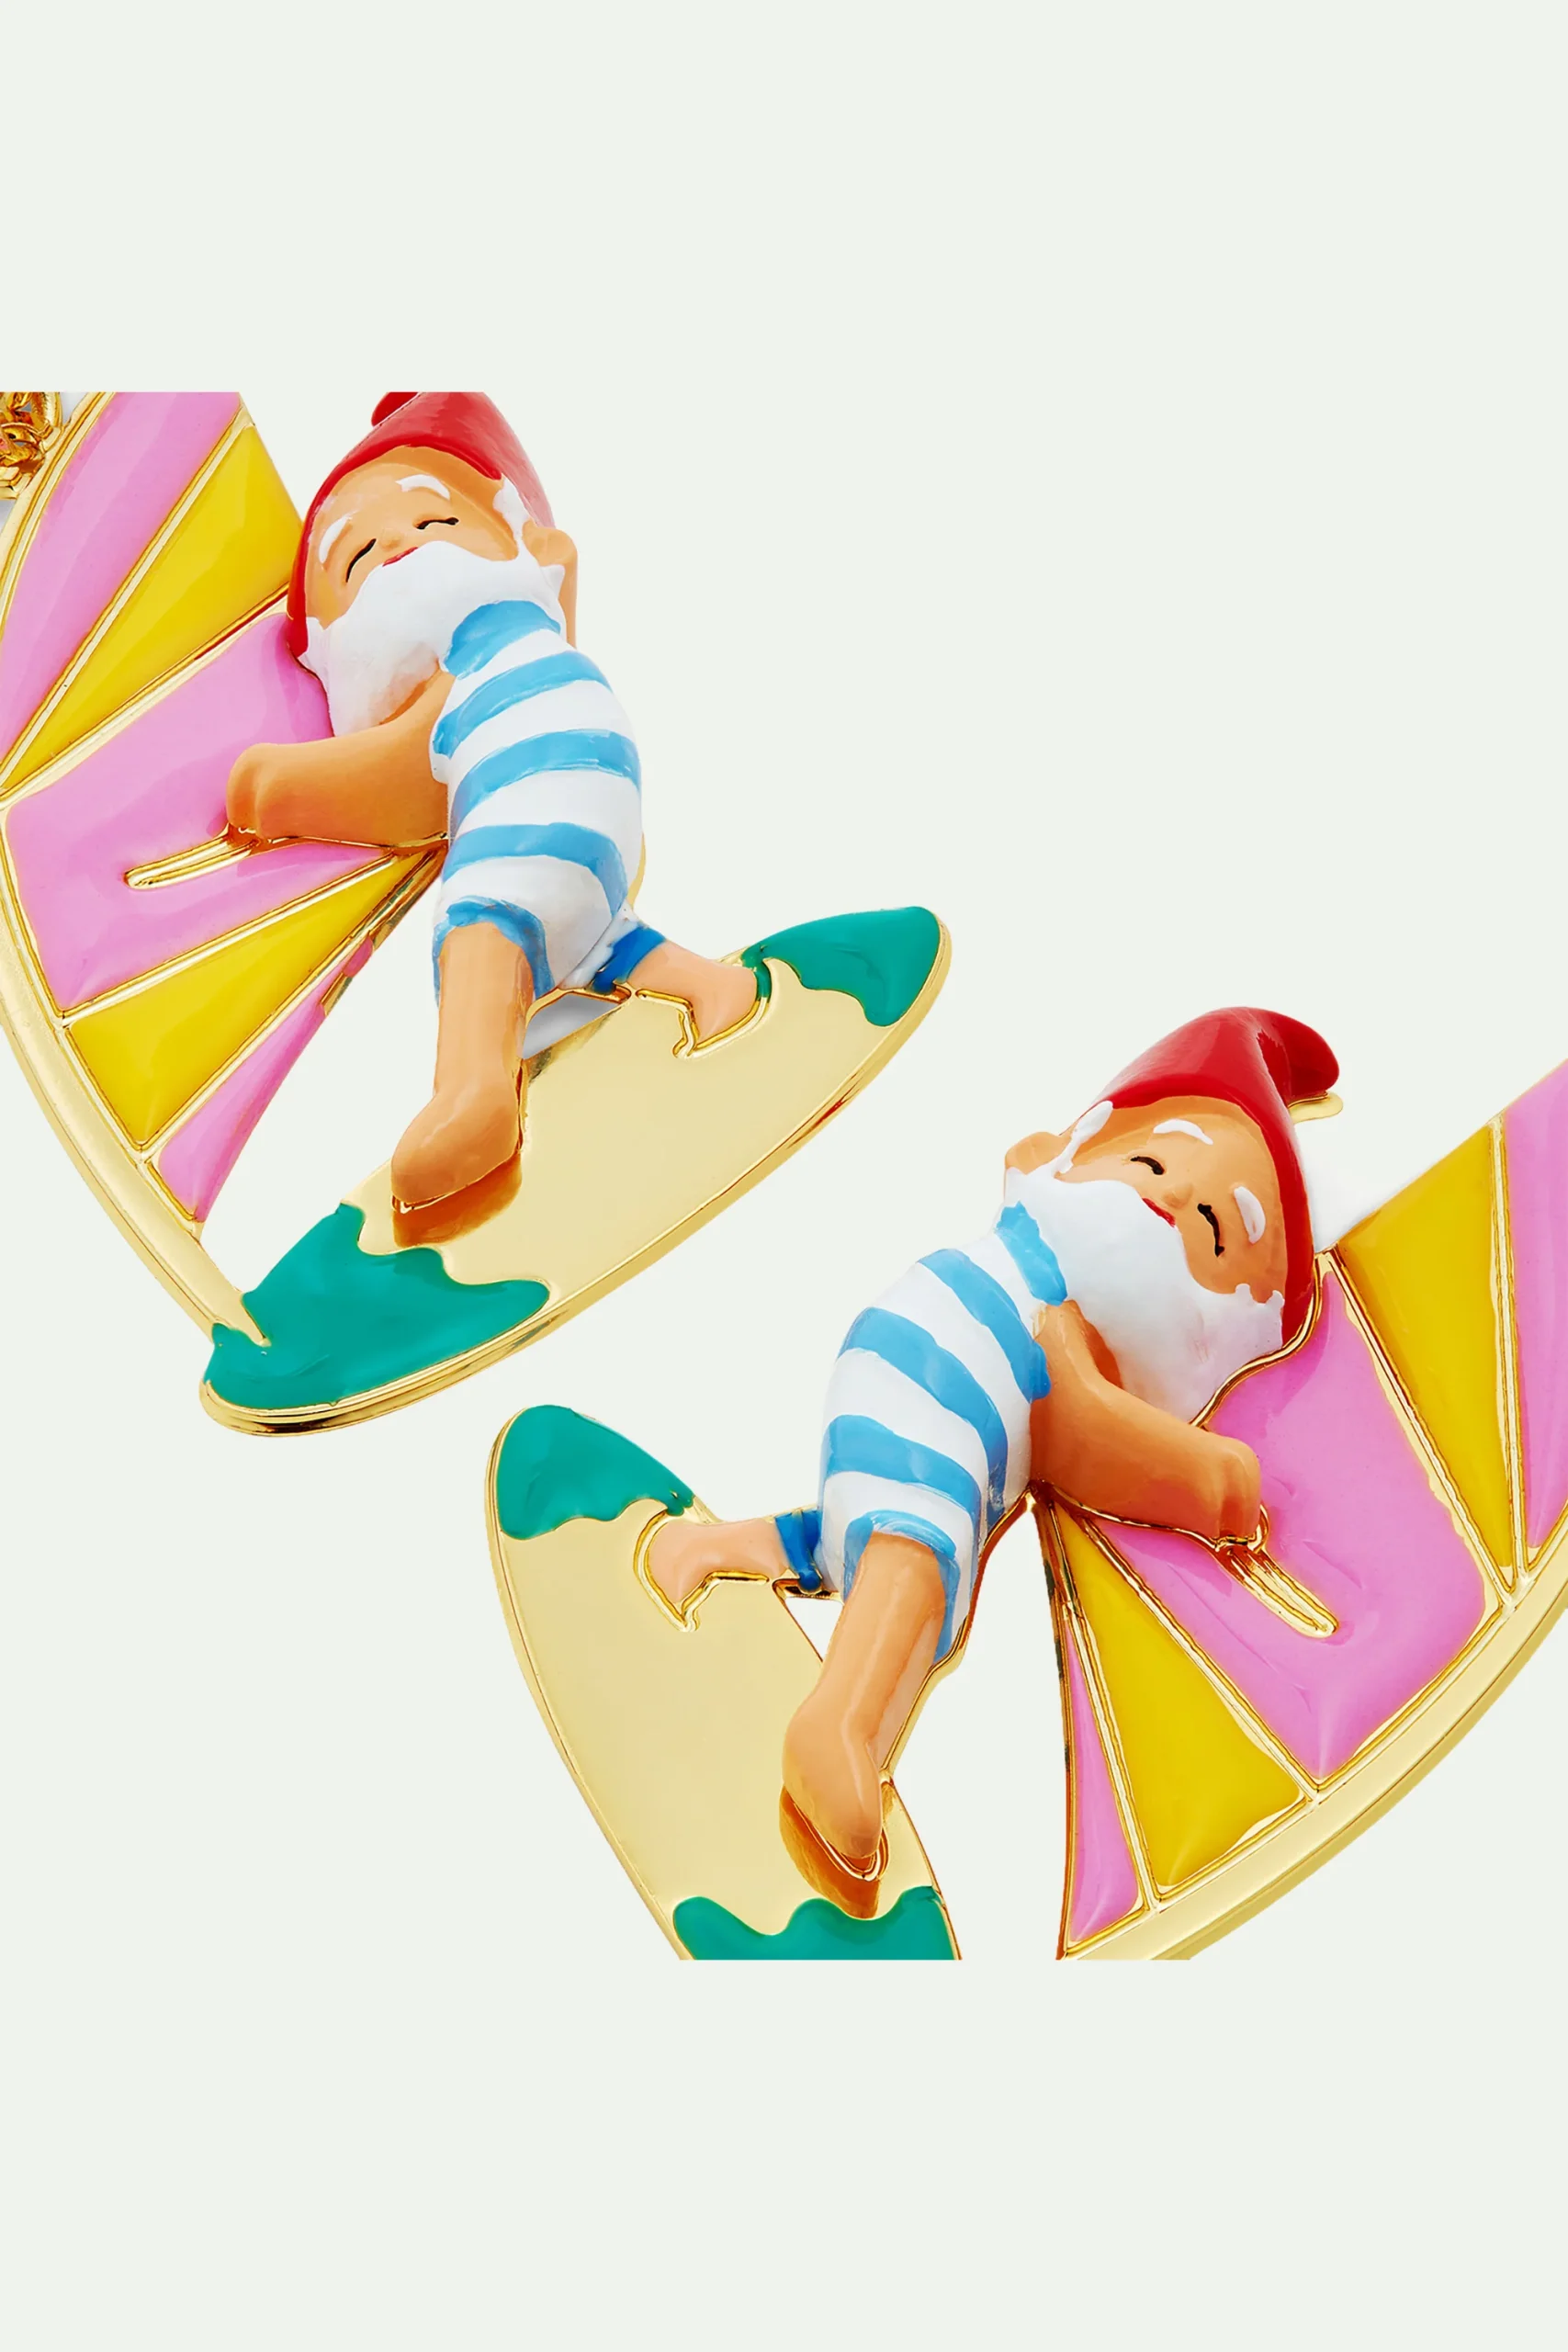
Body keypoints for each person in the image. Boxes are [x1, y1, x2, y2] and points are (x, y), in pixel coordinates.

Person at [647, 1006, 1337, 1885]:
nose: (1170, 1201)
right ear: (1062, 1156)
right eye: (1152, 1163)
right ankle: (841, 1724)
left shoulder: (1066, 1319)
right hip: (946, 1381)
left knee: (877, 1525)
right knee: (917, 1551)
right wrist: (1215, 1482)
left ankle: (713, 1550)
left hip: (914, 1372)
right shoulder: (1058, 1327)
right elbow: (1093, 1436)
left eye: (1211, 1229)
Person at [226, 391, 755, 1212]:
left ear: (521, 546)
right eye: (358, 555)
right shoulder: (529, 646)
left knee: (482, 929)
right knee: (594, 931)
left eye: (435, 523)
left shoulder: (462, 677)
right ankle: (710, 992)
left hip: (526, 808)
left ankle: (475, 1092)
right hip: (591, 804)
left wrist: (270, 787)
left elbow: (392, 780)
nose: (398, 542)